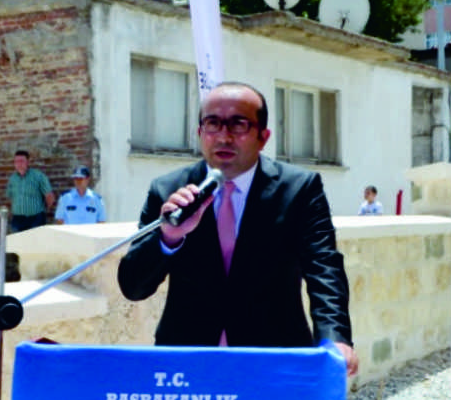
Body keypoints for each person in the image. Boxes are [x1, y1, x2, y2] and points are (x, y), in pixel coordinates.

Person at [117, 81, 359, 374]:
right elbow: (133, 287)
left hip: (272, 358)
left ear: (263, 137)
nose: (224, 137)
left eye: (238, 124)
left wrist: (334, 338)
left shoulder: (299, 189)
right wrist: (169, 237)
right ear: (199, 133)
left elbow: (324, 268)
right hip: (188, 361)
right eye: (213, 124)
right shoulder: (169, 191)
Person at [5, 149, 55, 233]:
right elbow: (10, 197)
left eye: (22, 161)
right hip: (18, 219)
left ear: (28, 162)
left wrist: (43, 212)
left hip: (36, 219)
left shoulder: (38, 176)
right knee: (18, 241)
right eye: (16, 161)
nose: (19, 164)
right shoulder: (12, 179)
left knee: (36, 241)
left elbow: (49, 196)